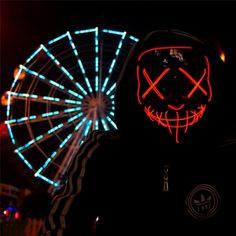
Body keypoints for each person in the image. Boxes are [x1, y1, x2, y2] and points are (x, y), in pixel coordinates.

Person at [40, 29, 236, 235]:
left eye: (188, 81)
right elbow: (62, 222)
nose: (176, 102)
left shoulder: (227, 154)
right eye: (162, 82)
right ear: (134, 86)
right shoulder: (106, 150)